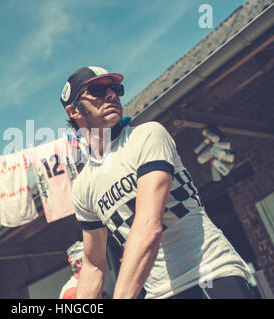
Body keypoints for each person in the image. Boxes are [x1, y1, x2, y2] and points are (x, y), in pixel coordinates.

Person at [60, 66, 253, 299]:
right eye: (98, 90)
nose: (111, 94)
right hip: (158, 293)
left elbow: (149, 224)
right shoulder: (83, 187)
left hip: (211, 275)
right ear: (73, 111)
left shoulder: (147, 135)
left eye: (115, 88)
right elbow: (93, 265)